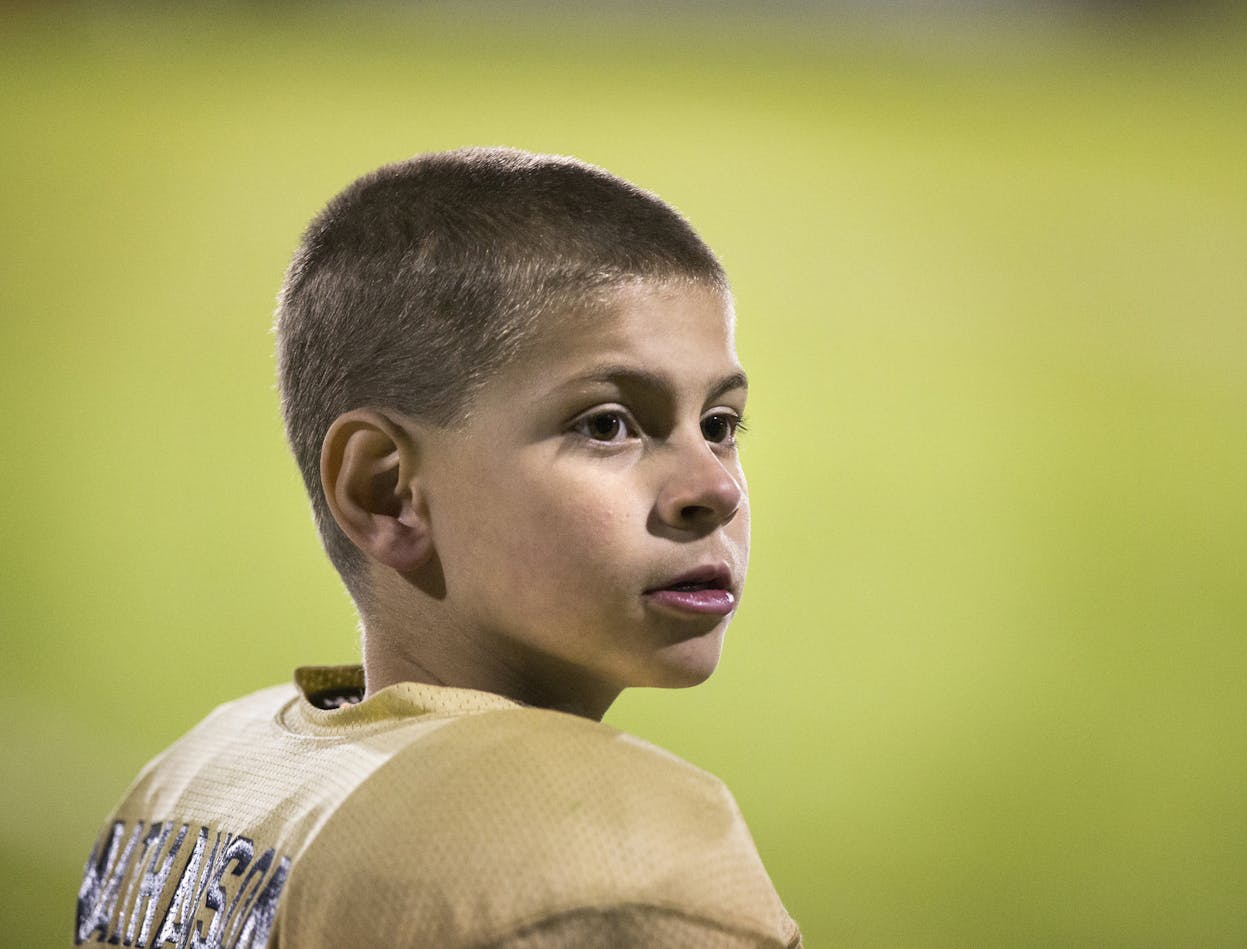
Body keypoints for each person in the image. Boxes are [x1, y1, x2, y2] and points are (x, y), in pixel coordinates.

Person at [74, 147, 802, 948]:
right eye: (606, 425)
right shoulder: (604, 858)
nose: (717, 488)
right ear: (386, 491)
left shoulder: (192, 778)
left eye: (721, 426)